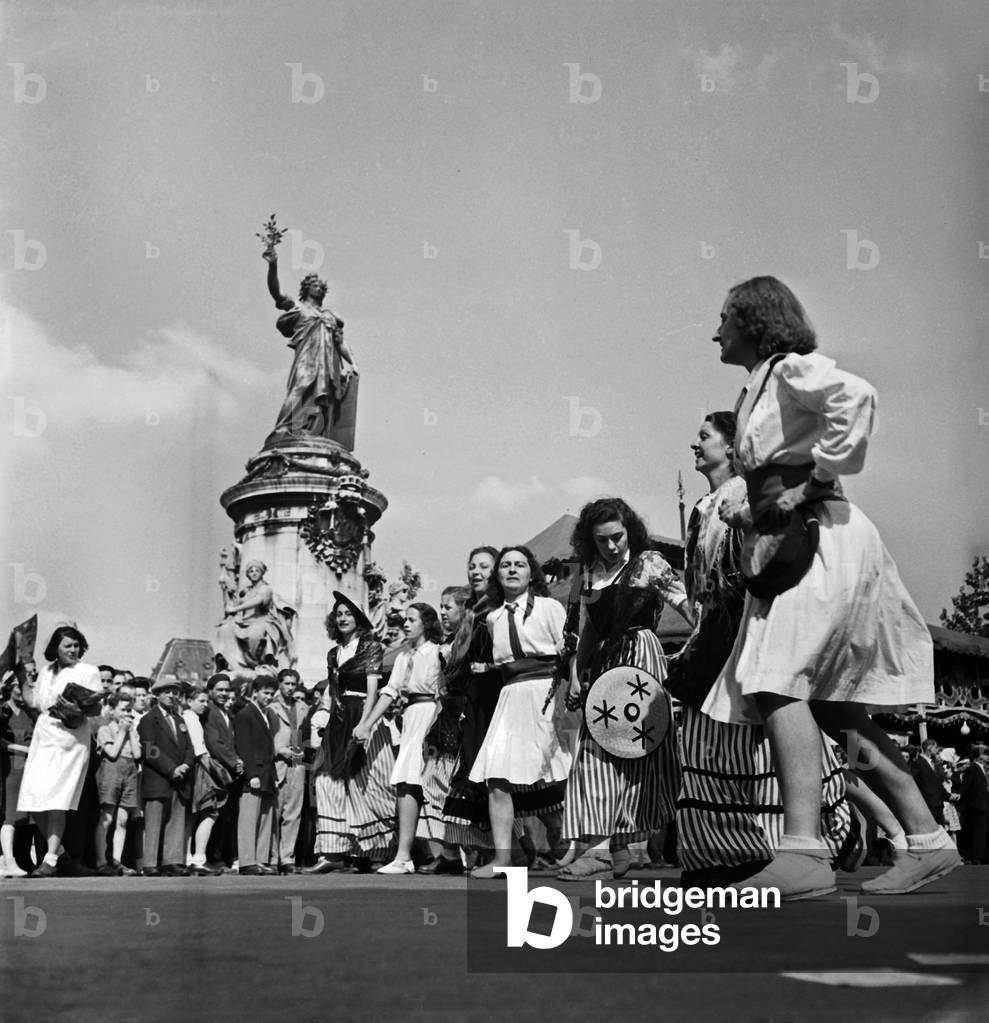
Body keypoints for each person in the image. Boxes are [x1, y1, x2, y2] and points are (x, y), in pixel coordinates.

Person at [702, 275, 960, 897]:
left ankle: (804, 850)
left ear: (753, 321)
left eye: (724, 319)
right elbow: (775, 470)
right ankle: (926, 839)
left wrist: (810, 479)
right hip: (796, 540)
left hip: (819, 539)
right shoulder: (759, 386)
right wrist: (754, 504)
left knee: (775, 678)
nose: (715, 332)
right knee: (832, 703)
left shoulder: (789, 368)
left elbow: (858, 397)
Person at [666, 413, 852, 885]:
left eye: (704, 436)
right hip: (713, 631)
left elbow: (761, 563)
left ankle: (771, 849)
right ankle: (716, 853)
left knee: (756, 743)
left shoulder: (743, 493)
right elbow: (699, 587)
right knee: (711, 744)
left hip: (746, 622)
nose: (695, 443)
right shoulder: (704, 507)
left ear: (731, 448)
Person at [559, 498, 693, 880]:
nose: (611, 546)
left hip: (642, 659)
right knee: (595, 751)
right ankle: (607, 848)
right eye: (602, 541)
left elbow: (686, 607)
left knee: (636, 752)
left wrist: (694, 649)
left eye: (617, 537)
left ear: (628, 530)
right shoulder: (589, 575)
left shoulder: (649, 562)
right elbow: (591, 631)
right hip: (604, 665)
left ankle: (614, 848)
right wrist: (575, 672)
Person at [468, 546, 572, 879]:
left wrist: (568, 693)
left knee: (561, 772)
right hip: (510, 699)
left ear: (531, 572)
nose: (512, 570)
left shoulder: (550, 607)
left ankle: (580, 846)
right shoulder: (492, 617)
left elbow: (568, 652)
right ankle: (503, 860)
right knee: (497, 777)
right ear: (497, 575)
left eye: (520, 564)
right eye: (506, 565)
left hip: (546, 693)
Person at [306, 593, 395, 873]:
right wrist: (322, 714)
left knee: (368, 783)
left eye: (348, 613)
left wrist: (366, 724)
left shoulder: (370, 646)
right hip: (339, 719)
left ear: (358, 619)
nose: (343, 618)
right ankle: (333, 852)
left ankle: (375, 851)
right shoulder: (333, 653)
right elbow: (332, 691)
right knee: (326, 778)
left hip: (362, 715)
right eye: (339, 613)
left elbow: (372, 691)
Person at [354, 604, 445, 874]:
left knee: (433, 784)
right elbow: (390, 691)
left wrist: (434, 725)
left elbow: (442, 691)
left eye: (411, 619)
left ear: (426, 624)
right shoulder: (404, 655)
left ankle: (448, 852)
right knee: (406, 784)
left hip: (431, 715)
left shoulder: (438, 652)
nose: (405, 624)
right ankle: (403, 855)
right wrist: (367, 723)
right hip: (411, 718)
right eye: (404, 619)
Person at [17, 626, 104, 878]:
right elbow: (33, 702)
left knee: (57, 801)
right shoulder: (46, 671)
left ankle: (51, 859)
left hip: (70, 740)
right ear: (56, 647)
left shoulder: (88, 671)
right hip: (44, 737)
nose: (74, 650)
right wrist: (21, 673)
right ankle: (63, 855)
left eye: (77, 645)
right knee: (33, 801)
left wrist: (78, 708)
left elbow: (96, 709)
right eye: (68, 646)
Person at [263, 248, 359, 451]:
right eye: (315, 285)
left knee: (327, 398)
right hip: (307, 359)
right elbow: (276, 293)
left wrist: (353, 363)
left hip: (329, 363)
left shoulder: (330, 315)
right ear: (306, 288)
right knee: (301, 387)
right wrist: (273, 265)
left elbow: (340, 342)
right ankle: (284, 429)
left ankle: (314, 432)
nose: (319, 289)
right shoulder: (298, 307)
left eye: (321, 287)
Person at [138, 678, 194, 877]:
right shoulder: (148, 719)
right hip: (159, 778)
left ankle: (173, 861)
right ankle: (150, 863)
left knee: (176, 820)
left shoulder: (180, 720)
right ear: (157, 694)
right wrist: (171, 769)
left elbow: (189, 747)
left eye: (175, 692)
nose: (171, 696)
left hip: (180, 778)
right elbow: (149, 749)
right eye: (167, 692)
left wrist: (186, 764)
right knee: (154, 821)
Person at [215, 560, 297, 672]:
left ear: (262, 573)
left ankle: (257, 662)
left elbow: (258, 600)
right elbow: (230, 608)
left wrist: (236, 608)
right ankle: (231, 663)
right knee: (224, 629)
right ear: (247, 574)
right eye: (251, 571)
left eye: (257, 570)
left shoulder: (265, 589)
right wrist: (225, 591)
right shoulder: (246, 591)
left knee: (256, 632)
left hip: (264, 621)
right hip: (245, 622)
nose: (254, 573)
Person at [233, 673, 279, 876]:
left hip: (267, 773)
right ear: (255, 692)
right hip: (255, 774)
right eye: (265, 693)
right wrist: (250, 774)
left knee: (264, 819)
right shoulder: (246, 714)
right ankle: (247, 861)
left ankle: (260, 859)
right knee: (249, 819)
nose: (269, 697)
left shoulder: (266, 714)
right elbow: (244, 746)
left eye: (271, 694)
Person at [94, 692, 142, 876]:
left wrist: (130, 732)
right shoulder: (105, 729)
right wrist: (122, 731)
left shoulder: (133, 731)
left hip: (130, 771)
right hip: (111, 770)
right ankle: (101, 861)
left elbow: (138, 755)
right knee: (107, 818)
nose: (126, 714)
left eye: (129, 710)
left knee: (123, 820)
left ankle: (117, 861)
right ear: (112, 710)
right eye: (122, 710)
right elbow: (112, 753)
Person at [181, 686, 225, 875]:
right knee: (210, 812)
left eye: (206, 701)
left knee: (192, 815)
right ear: (189, 701)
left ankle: (188, 858)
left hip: (192, 769)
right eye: (201, 701)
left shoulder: (188, 717)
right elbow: (200, 751)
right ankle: (199, 858)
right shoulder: (192, 719)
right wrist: (216, 775)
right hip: (200, 769)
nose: (205, 705)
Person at [267, 668, 306, 873]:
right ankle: (272, 858)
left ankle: (287, 858)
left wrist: (303, 750)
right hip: (278, 763)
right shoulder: (270, 708)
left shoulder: (302, 707)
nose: (290, 688)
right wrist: (279, 750)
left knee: (293, 813)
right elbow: (265, 738)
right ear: (279, 684)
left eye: (293, 684)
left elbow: (307, 733)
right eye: (287, 683)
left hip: (297, 765)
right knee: (275, 812)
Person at [203, 673, 243, 867]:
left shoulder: (226, 713)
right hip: (218, 772)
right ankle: (215, 858)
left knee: (228, 817)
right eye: (219, 689)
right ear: (210, 691)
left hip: (229, 774)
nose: (224, 693)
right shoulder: (210, 712)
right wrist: (234, 761)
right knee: (218, 816)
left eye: (227, 690)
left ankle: (226, 856)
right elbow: (214, 742)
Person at [1, 666, 38, 876]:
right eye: (21, 686)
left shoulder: (29, 714)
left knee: (26, 818)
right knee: (10, 816)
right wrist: (25, 749)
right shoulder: (3, 710)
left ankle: (21, 858)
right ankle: (7, 860)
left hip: (28, 769)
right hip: (10, 768)